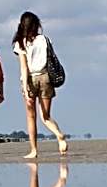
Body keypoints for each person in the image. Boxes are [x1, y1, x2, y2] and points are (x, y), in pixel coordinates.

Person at [12, 12, 68, 158]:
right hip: (46, 78)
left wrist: (25, 87)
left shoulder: (21, 42)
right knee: (46, 116)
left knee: (31, 117)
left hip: (31, 79)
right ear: (36, 25)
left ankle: (34, 150)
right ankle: (59, 135)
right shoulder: (44, 39)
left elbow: (24, 68)